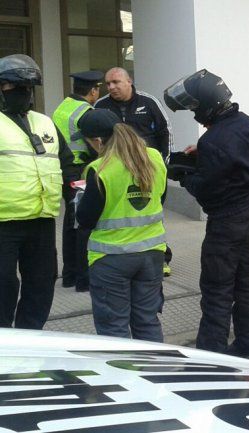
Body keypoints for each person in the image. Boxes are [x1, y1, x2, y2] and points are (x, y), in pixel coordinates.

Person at [163, 69, 249, 358]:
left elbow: (207, 189)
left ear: (207, 104)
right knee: (245, 281)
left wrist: (183, 176)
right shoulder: (247, 124)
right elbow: (234, 162)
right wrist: (203, 156)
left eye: (195, 107)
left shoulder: (214, 140)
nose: (195, 112)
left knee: (217, 291)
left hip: (227, 221)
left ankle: (211, 358)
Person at [75, 109, 167, 342]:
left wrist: (79, 199)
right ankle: (156, 373)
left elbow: (85, 219)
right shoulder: (154, 157)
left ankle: (123, 376)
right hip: (152, 254)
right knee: (147, 321)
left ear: (98, 140)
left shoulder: (100, 169)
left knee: (114, 330)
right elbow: (160, 198)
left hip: (111, 258)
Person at [0, 54, 77, 329]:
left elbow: (67, 165)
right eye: (14, 88)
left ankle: (30, 336)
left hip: (42, 221)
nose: (23, 94)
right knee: (4, 285)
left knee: (42, 282)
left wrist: (77, 201)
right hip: (4, 223)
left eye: (27, 89)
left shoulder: (45, 123)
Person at [96, 67, 174, 276]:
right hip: (116, 175)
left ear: (129, 81)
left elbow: (165, 131)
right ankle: (121, 255)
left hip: (148, 172)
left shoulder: (148, 102)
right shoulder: (101, 106)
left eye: (116, 82)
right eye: (108, 83)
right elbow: (95, 139)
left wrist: (162, 167)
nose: (111, 87)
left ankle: (161, 257)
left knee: (152, 216)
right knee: (120, 217)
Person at [53, 70, 103, 292]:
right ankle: (83, 278)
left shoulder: (63, 107)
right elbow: (97, 145)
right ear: (93, 91)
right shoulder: (86, 112)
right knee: (82, 224)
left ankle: (69, 274)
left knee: (70, 222)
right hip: (78, 171)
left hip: (63, 170)